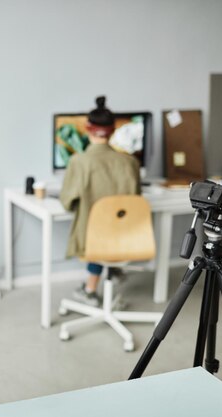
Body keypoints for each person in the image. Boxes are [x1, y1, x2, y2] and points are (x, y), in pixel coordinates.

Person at [59, 96, 140, 307]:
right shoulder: (130, 162)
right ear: (113, 129)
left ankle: (90, 290)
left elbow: (67, 202)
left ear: (87, 128)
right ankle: (111, 274)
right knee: (112, 228)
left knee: (95, 230)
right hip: (124, 236)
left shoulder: (79, 162)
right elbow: (135, 202)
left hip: (94, 240)